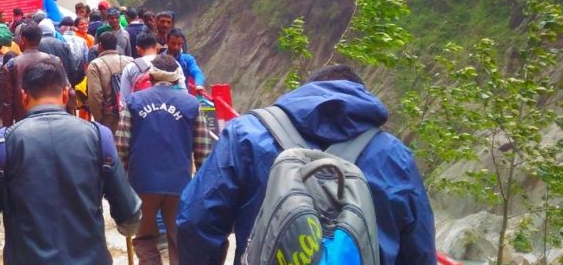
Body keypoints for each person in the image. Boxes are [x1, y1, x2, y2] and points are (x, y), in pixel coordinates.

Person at [176, 65, 437, 265]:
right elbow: (420, 251)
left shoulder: (245, 134)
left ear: (305, 92)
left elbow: (195, 221)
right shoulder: (395, 156)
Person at [0, 61, 142, 265]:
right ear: (65, 94)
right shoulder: (99, 137)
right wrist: (127, 226)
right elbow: (129, 215)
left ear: (24, 97)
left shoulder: (1, 145)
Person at [116, 54, 211, 265]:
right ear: (178, 78)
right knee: (178, 238)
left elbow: (122, 144)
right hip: (179, 183)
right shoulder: (192, 104)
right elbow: (203, 150)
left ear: (149, 76)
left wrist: (122, 181)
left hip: (143, 182)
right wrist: (202, 186)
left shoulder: (134, 101)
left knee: (145, 237)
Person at [0, 23, 67, 128]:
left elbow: (7, 103)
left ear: (23, 39)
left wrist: (7, 130)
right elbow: (67, 90)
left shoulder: (11, 66)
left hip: (24, 123)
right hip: (55, 118)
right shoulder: (54, 61)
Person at [85, 31, 133, 133]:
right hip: (129, 114)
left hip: (108, 117)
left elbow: (95, 95)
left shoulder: (95, 65)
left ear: (100, 45)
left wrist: (99, 118)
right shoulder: (130, 61)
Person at [119, 33, 182, 106]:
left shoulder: (130, 67)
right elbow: (183, 91)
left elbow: (124, 100)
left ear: (137, 49)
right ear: (157, 47)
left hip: (142, 112)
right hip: (171, 111)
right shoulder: (173, 63)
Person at [164, 28, 205, 93]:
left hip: (183, 96)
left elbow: (197, 72)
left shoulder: (187, 59)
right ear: (167, 42)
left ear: (182, 44)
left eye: (179, 44)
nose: (176, 47)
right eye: (173, 43)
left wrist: (198, 84)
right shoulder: (159, 59)